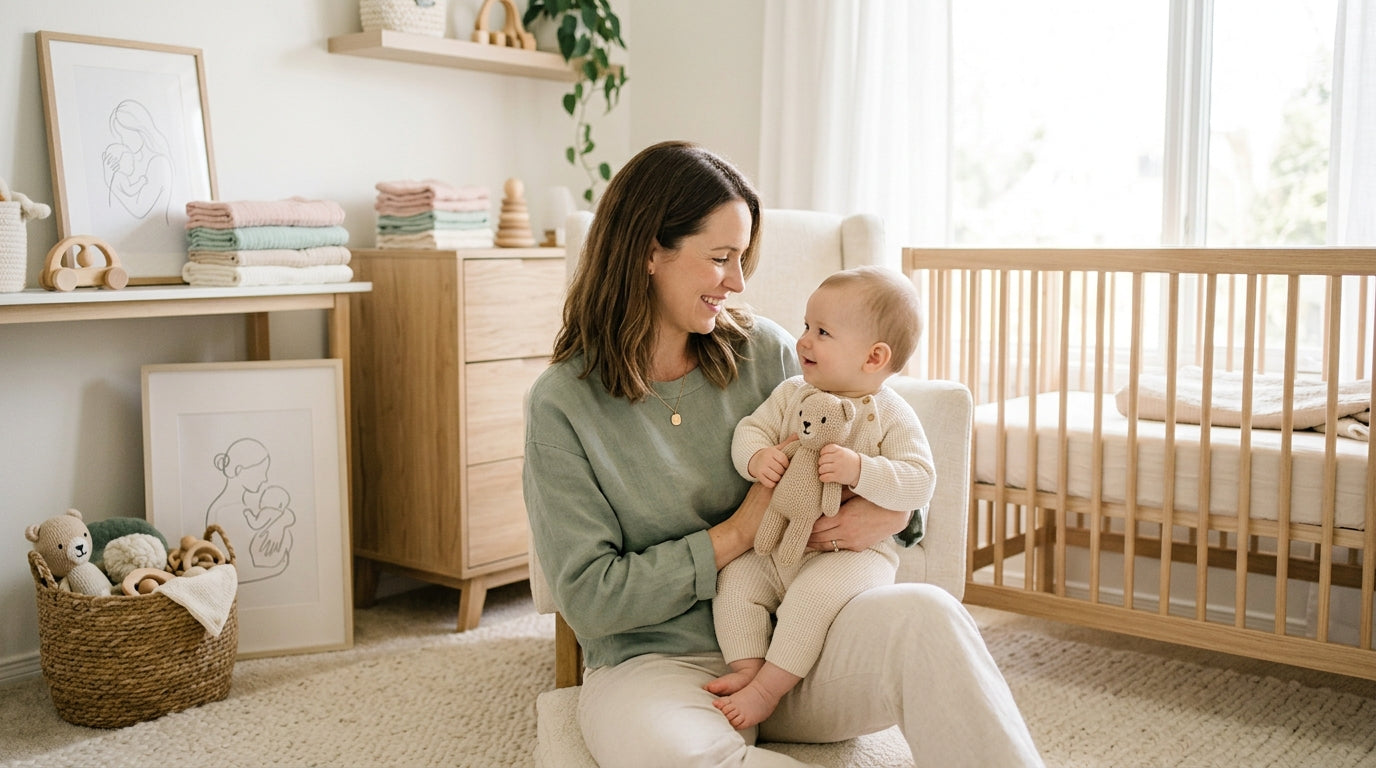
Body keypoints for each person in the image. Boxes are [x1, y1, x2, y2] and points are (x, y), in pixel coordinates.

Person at [523, 140, 1043, 767]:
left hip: (801, 645)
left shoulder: (762, 351)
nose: (739, 282)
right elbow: (590, 596)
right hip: (658, 666)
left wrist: (894, 517)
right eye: (721, 258)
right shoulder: (563, 405)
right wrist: (737, 533)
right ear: (649, 252)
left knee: (929, 619)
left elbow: (879, 437)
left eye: (742, 259)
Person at [709, 265, 935, 730]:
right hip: (777, 544)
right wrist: (756, 459)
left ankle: (769, 691)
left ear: (874, 358)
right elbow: (751, 429)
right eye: (807, 327)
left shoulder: (891, 413)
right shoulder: (794, 393)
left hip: (853, 555)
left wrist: (862, 471)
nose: (804, 341)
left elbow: (920, 480)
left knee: (810, 600)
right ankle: (749, 672)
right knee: (734, 582)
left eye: (823, 332)